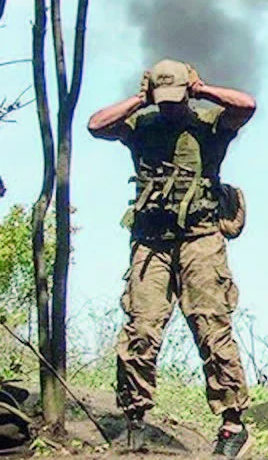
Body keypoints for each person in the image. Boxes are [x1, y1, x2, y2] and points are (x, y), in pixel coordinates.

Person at [87, 59, 255, 458]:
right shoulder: (141, 126)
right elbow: (95, 126)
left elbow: (247, 106)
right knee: (140, 331)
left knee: (212, 330)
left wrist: (203, 89)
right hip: (151, 242)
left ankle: (233, 425)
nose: (168, 107)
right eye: (161, 100)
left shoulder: (210, 124)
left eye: (174, 98)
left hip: (201, 239)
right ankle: (135, 420)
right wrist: (139, 100)